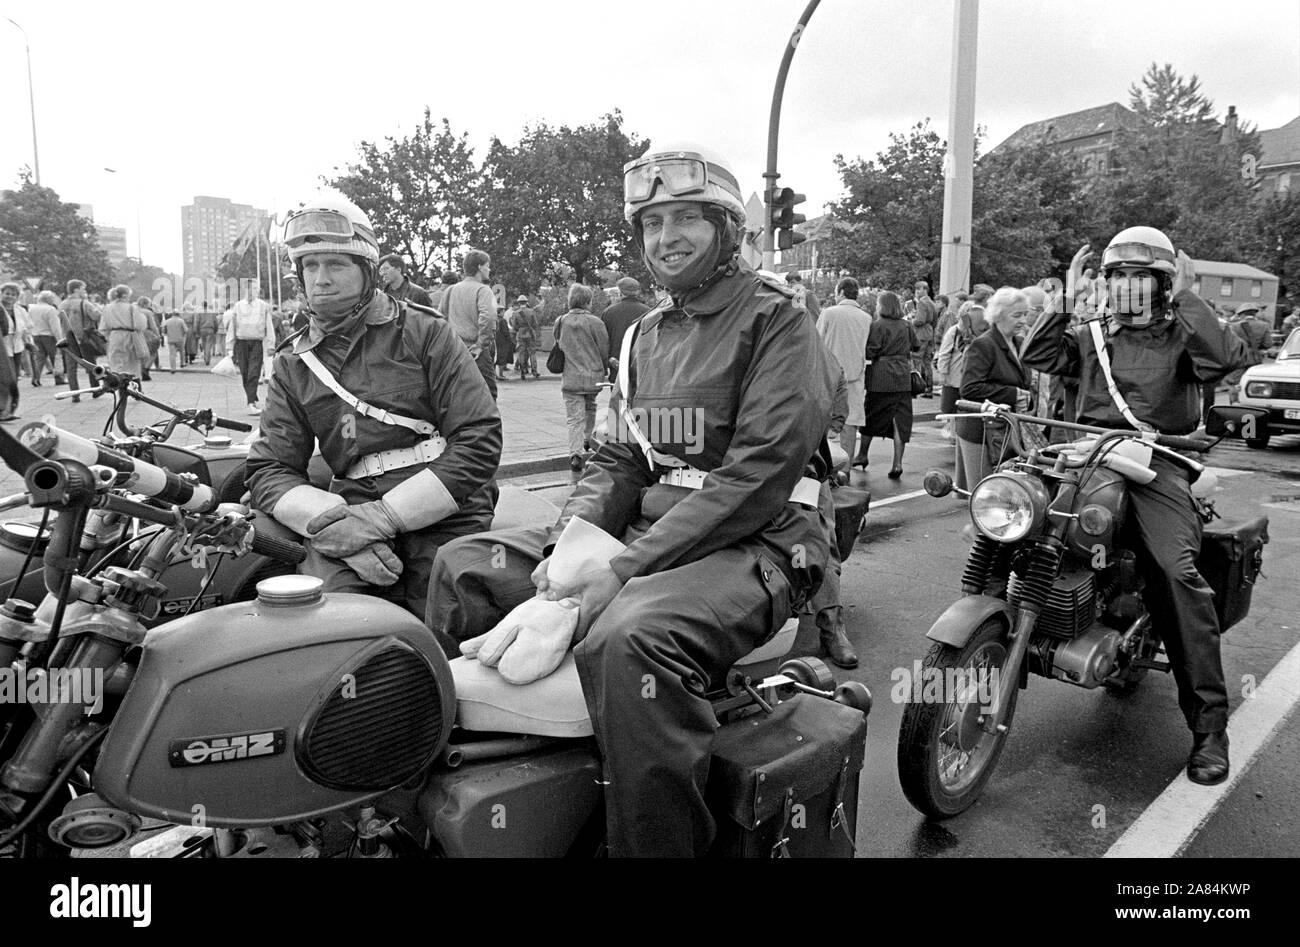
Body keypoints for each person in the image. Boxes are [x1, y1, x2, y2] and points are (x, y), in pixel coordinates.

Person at [426, 142, 835, 857]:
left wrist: (618, 573)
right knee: (464, 563)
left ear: (727, 230)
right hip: (656, 533)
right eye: (650, 223)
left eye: (685, 218)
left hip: (762, 540)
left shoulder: (779, 320)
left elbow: (756, 478)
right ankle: (488, 801)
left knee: (632, 635)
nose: (665, 237)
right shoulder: (644, 333)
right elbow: (618, 455)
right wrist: (564, 554)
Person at [1020, 226, 1257, 787]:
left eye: (1139, 276)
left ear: (1161, 283)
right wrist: (1061, 304)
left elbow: (1224, 359)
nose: (1126, 286)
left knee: (1176, 574)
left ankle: (1209, 729)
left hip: (1157, 462)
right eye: (1116, 276)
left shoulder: (1182, 335)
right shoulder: (1091, 335)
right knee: (1011, 519)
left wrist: (1189, 297)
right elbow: (1040, 355)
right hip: (1087, 455)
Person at [246, 191, 501, 622]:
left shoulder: (424, 332)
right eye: (310, 266)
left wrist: (384, 517)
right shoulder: (294, 362)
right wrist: (337, 526)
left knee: (448, 621)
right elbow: (269, 468)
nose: (320, 279)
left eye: (335, 264)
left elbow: (479, 439)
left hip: (445, 508)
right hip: (346, 514)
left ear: (367, 270)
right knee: (330, 627)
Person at [956, 287, 1032, 489]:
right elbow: (969, 389)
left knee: (1004, 495)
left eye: (1025, 314)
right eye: (1017, 315)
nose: (1023, 320)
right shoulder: (984, 345)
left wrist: (1026, 397)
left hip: (1004, 430)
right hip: (980, 433)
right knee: (985, 494)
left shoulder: (1019, 342)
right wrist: (1013, 394)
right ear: (998, 315)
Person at [858, 290, 918, 477]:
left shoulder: (878, 326)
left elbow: (871, 351)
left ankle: (862, 455)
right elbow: (916, 346)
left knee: (871, 415)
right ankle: (897, 464)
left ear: (882, 306)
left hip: (880, 378)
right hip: (902, 378)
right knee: (900, 420)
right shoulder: (906, 325)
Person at [553, 284, 608, 470]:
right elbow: (603, 349)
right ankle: (587, 438)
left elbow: (558, 343)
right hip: (592, 375)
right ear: (587, 302)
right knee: (591, 406)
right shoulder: (596, 322)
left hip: (571, 376)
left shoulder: (561, 321)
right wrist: (604, 366)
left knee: (573, 418)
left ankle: (575, 454)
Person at [817, 276, 872, 461]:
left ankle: (827, 466)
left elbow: (816, 341)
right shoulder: (866, 318)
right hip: (855, 376)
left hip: (828, 376)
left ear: (841, 292)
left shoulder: (828, 313)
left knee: (825, 422)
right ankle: (845, 468)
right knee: (851, 422)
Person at [442, 250, 498, 399]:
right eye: (487, 266)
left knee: (458, 394)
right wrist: (481, 344)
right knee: (488, 395)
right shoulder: (483, 290)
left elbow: (440, 319)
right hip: (476, 352)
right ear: (480, 267)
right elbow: (489, 318)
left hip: (454, 351)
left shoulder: (450, 290)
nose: (489, 269)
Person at [227, 283, 276, 415]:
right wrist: (230, 347)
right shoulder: (238, 306)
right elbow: (232, 327)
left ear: (257, 292)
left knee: (253, 372)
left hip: (256, 342)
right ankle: (252, 398)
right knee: (244, 372)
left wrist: (271, 345)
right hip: (241, 343)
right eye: (248, 289)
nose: (250, 292)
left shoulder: (263, 306)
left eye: (253, 290)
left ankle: (251, 403)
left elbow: (268, 326)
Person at [599, 276, 650, 382]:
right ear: (637, 291)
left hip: (616, 365)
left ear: (620, 292)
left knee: (618, 397)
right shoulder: (649, 312)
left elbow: (603, 342)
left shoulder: (608, 313)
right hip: (640, 366)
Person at [98, 285, 150, 383]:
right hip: (129, 336)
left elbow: (103, 327)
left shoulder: (107, 308)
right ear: (125, 295)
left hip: (114, 336)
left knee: (117, 365)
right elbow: (140, 324)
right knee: (133, 363)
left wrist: (109, 335)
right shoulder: (131, 307)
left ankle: (121, 391)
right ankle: (137, 389)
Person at [61, 279, 100, 398]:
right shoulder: (84, 303)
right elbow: (96, 316)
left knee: (71, 368)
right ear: (76, 289)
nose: (85, 291)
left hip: (67, 338)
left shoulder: (62, 304)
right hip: (83, 338)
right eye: (83, 288)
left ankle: (74, 394)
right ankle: (96, 389)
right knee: (90, 365)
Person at [27, 290, 67, 389]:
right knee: (56, 357)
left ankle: (35, 378)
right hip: (49, 336)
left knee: (39, 358)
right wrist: (59, 338)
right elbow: (55, 326)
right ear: (48, 299)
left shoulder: (32, 309)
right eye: (52, 298)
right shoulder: (51, 309)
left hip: (36, 335)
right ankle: (59, 378)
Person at [0, 283, 25, 420]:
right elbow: (4, 330)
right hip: (4, 348)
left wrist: (29, 343)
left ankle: (8, 410)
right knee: (6, 379)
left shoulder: (20, 310)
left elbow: (26, 327)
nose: (10, 296)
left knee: (14, 379)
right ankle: (4, 411)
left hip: (17, 347)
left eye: (13, 294)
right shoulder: (0, 309)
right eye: (7, 293)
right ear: (2, 293)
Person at [912, 280, 938, 397]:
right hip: (929, 333)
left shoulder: (921, 303)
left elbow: (920, 321)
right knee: (927, 362)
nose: (917, 292)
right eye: (916, 289)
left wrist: (911, 320)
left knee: (916, 359)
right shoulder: (932, 302)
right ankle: (929, 387)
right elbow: (934, 320)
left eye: (919, 289)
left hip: (921, 334)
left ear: (925, 290)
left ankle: (918, 386)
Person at [511, 294, 540, 378]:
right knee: (533, 353)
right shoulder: (531, 311)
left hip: (520, 334)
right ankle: (534, 371)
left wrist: (519, 329)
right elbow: (535, 324)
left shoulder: (516, 313)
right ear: (526, 302)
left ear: (519, 303)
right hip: (530, 333)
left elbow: (514, 326)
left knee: (521, 353)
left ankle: (523, 371)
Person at [137, 296, 161, 381]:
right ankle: (146, 369)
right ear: (146, 304)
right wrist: (158, 335)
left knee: (141, 354)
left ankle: (141, 370)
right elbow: (153, 326)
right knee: (153, 353)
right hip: (147, 334)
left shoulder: (133, 310)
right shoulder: (148, 312)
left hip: (136, 334)